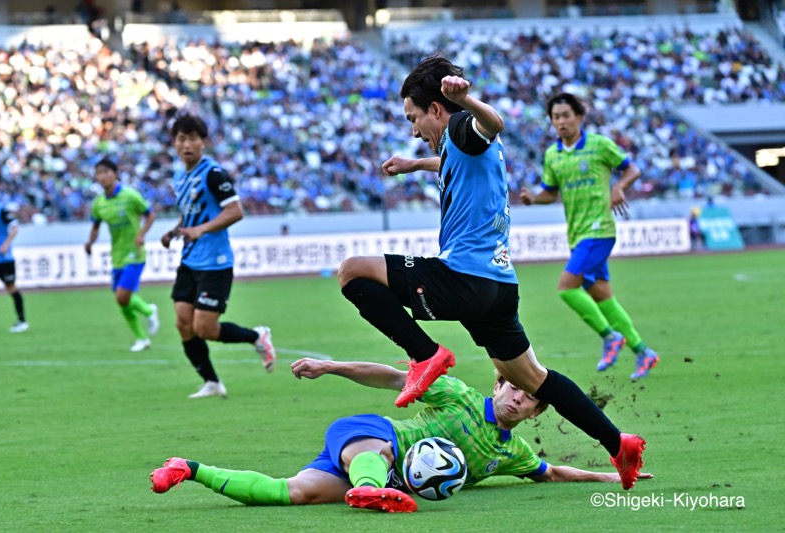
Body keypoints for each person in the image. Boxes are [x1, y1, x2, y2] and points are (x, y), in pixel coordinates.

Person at [337, 56, 645, 489]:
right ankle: (619, 444)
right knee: (534, 379)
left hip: (464, 277)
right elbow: (453, 161)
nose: (413, 130)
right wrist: (413, 164)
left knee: (352, 272)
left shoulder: (464, 127)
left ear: (438, 110)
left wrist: (467, 101)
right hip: (498, 287)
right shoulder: (455, 147)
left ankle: (425, 356)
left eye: (414, 118)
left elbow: (492, 124)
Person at [150, 358, 652, 512]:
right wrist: (331, 367)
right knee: (381, 450)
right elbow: (394, 377)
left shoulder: (511, 453)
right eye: (514, 388)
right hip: (369, 435)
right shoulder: (454, 392)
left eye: (529, 399)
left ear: (537, 412)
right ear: (499, 382)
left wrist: (607, 478)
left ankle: (188, 468)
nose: (519, 398)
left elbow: (551, 474)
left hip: (383, 472)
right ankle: (368, 488)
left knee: (292, 494)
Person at [519, 93, 660, 380]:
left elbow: (632, 169)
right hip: (577, 234)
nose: (561, 122)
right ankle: (643, 352)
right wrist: (534, 199)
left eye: (566, 116)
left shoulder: (598, 145)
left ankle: (610, 337)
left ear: (579, 117)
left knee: (567, 288)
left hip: (600, 231)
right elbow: (550, 192)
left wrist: (619, 187)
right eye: (555, 117)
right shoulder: (553, 155)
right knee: (602, 297)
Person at [161, 112, 276, 399]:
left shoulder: (213, 174)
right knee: (182, 323)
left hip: (215, 263)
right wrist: (176, 230)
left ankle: (256, 336)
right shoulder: (180, 175)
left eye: (192, 139)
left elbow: (235, 211)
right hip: (189, 259)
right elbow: (190, 214)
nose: (186, 145)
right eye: (181, 139)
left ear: (203, 142)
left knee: (205, 328)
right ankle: (212, 382)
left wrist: (200, 230)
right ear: (174, 143)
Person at [85, 157, 160, 352]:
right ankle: (142, 338)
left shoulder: (130, 195)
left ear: (115, 173)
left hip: (134, 254)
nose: (102, 177)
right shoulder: (99, 203)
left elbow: (150, 215)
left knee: (121, 296)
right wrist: (89, 242)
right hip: (116, 255)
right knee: (122, 301)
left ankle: (148, 310)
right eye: (99, 173)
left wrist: (142, 234)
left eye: (106, 172)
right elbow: (95, 226)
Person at [0, 183, 28, 332]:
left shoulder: (0, 211)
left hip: (4, 259)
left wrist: (6, 244)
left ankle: (22, 321)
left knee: (11, 288)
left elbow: (14, 228)